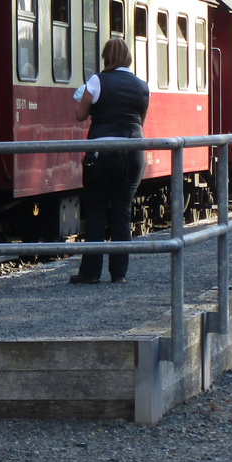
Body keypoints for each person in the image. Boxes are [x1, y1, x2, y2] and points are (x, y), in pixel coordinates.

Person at [70, 37, 149, 284]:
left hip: (100, 154)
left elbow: (80, 115)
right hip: (132, 152)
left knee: (95, 212)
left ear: (106, 58)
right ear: (128, 58)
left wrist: (85, 99)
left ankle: (91, 272)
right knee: (122, 212)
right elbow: (140, 122)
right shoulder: (142, 86)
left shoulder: (97, 80)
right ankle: (119, 274)